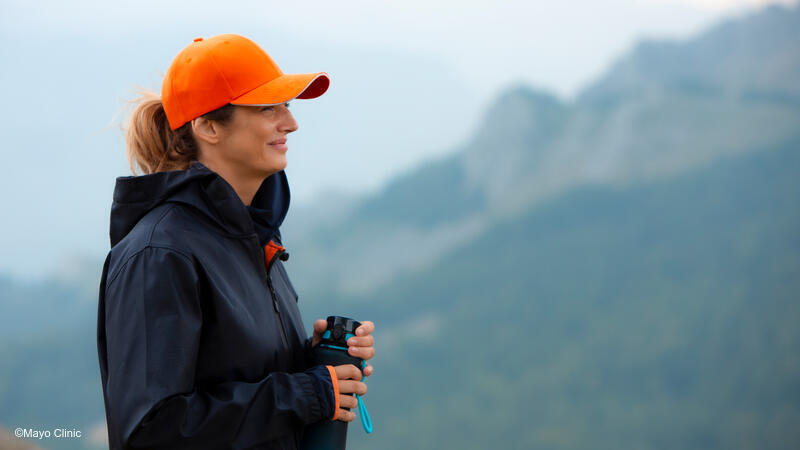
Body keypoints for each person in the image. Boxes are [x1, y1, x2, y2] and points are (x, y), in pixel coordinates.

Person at [96, 34, 376, 450]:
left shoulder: (253, 240)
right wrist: (305, 394)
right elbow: (151, 429)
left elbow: (233, 376)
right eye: (268, 108)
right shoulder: (160, 254)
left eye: (288, 105)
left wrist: (314, 364)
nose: (291, 122)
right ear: (207, 126)